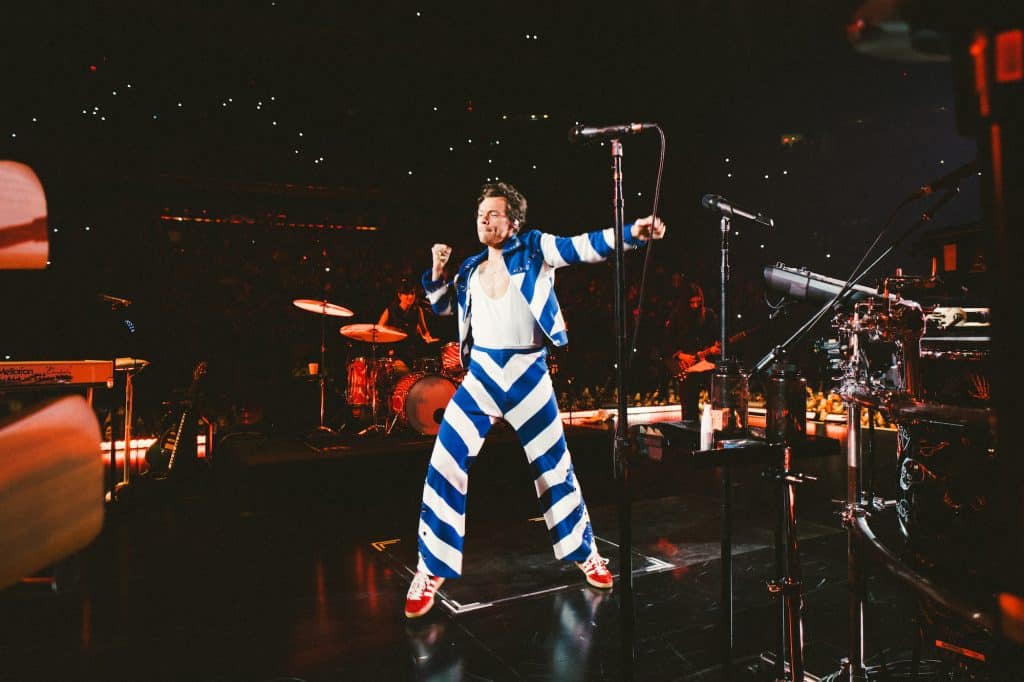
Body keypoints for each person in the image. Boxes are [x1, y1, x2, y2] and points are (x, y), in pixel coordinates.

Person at [404, 181, 666, 618]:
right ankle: (431, 568)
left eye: (493, 213)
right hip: (482, 376)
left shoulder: (535, 248)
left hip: (528, 374)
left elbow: (580, 247)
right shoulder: (469, 268)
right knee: (445, 463)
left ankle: (586, 553)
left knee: (554, 468)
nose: (484, 219)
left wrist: (630, 234)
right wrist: (436, 270)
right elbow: (442, 307)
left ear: (514, 221)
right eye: (480, 214)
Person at [661, 281, 720, 422]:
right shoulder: (677, 316)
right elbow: (666, 343)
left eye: (698, 302)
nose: (695, 306)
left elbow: (717, 338)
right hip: (687, 368)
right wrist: (681, 355)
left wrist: (715, 349)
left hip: (706, 365)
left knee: (717, 400)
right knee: (688, 408)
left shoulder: (709, 315)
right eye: (691, 302)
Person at [377, 278, 440, 374]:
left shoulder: (417, 310)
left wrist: (427, 337)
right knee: (402, 371)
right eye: (406, 293)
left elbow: (425, 331)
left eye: (412, 293)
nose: (410, 296)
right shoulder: (391, 310)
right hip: (395, 353)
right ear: (399, 295)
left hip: (412, 353)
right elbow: (379, 330)